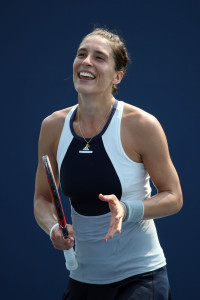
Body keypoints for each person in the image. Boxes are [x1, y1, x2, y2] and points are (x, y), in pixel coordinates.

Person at [34, 28, 183, 300]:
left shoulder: (142, 125)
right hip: (83, 278)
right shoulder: (53, 127)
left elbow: (174, 198)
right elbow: (42, 199)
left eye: (99, 57)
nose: (87, 61)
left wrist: (127, 209)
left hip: (141, 277)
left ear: (118, 76)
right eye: (81, 54)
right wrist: (54, 228)